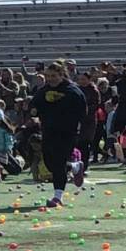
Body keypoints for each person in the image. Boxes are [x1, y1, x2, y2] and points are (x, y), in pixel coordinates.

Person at [31, 62, 87, 207]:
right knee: (50, 163)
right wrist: (33, 110)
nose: (50, 79)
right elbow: (34, 103)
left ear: (62, 75)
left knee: (58, 162)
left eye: (54, 76)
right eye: (48, 76)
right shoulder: (44, 90)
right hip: (48, 130)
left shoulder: (72, 90)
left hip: (67, 132)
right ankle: (75, 167)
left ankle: (58, 197)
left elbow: (82, 110)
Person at [77, 72, 100, 172]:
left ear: (89, 79)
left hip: (89, 121)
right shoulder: (77, 89)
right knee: (76, 143)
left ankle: (84, 165)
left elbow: (95, 105)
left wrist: (83, 109)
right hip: (77, 120)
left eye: (84, 79)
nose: (82, 81)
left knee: (85, 144)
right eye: (80, 79)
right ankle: (76, 164)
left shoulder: (93, 90)